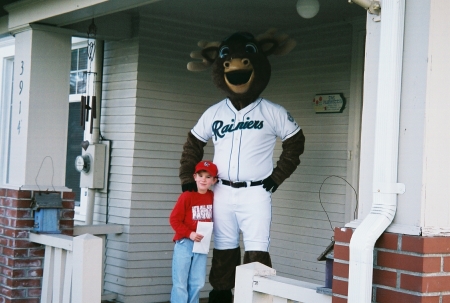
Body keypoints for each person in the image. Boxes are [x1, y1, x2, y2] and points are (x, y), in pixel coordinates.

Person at [170, 160, 218, 303]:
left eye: (208, 177)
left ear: (214, 181)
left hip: (201, 244)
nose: (203, 179)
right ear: (194, 177)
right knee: (180, 281)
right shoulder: (187, 196)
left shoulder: (212, 197)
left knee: (197, 282)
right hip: (185, 242)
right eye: (200, 175)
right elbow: (174, 219)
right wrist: (189, 233)